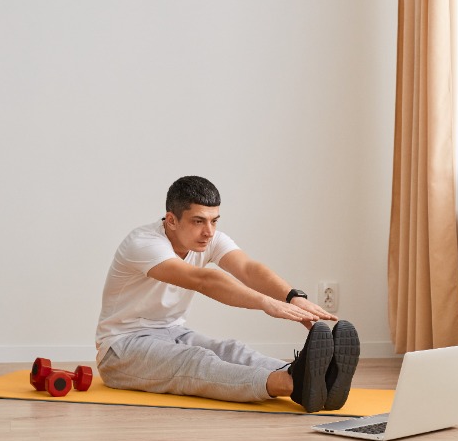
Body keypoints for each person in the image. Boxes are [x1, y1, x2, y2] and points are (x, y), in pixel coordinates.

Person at [95, 176, 360, 412]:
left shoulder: (208, 238)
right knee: (196, 361)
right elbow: (202, 280)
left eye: (213, 221)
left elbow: (248, 268)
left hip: (173, 332)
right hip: (121, 349)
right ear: (171, 220)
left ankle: (311, 376)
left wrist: (293, 297)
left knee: (230, 350)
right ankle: (290, 384)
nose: (208, 231)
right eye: (198, 221)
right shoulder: (144, 244)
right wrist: (267, 304)